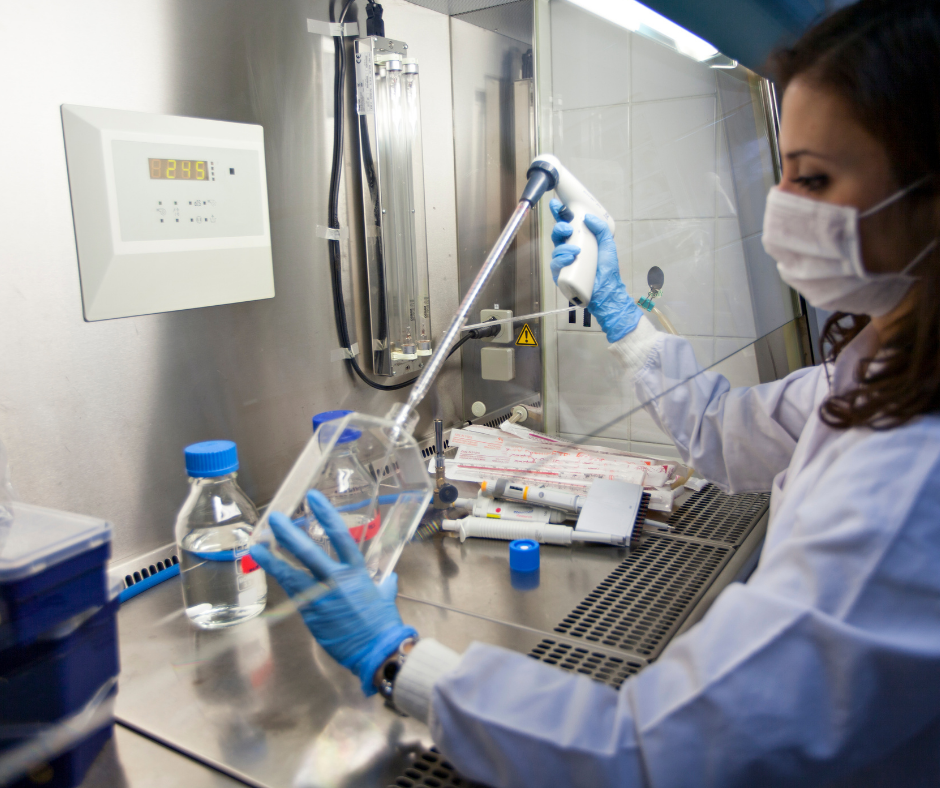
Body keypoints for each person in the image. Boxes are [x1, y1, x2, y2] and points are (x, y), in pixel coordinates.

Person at [251, 2, 940, 785]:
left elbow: (641, 759)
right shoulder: (872, 378)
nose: (782, 207)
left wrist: (397, 656)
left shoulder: (908, 488)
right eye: (781, 173)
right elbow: (720, 431)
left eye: (813, 177)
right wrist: (616, 307)